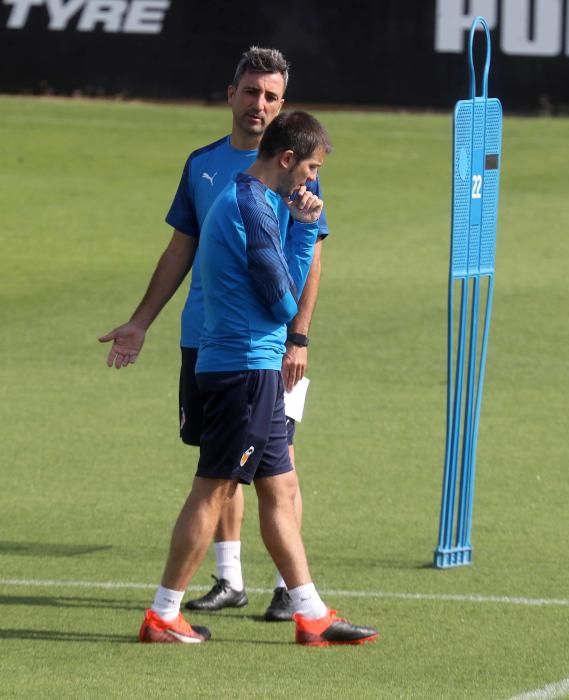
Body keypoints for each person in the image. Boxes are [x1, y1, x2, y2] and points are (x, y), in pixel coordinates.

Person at [99, 47, 327, 621]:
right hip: (208, 340)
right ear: (231, 94)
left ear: (283, 107)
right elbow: (182, 246)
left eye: (272, 97)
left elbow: (310, 254)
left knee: (274, 464)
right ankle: (232, 579)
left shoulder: (294, 165)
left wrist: (298, 337)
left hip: (267, 344)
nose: (260, 104)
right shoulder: (205, 165)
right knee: (223, 461)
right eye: (251, 92)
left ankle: (289, 591)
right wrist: (140, 321)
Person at [138, 109, 378, 645]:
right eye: (311, 168)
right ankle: (163, 614)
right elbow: (282, 303)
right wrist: (307, 229)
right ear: (287, 159)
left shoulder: (262, 202)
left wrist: (299, 224)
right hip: (244, 370)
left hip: (254, 367)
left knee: (281, 483)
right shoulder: (251, 208)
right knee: (215, 489)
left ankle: (310, 612)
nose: (313, 180)